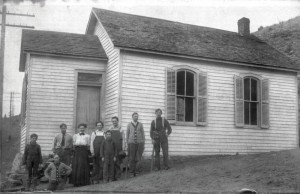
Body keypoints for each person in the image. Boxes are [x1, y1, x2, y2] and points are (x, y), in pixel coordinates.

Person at [126, 112, 145, 177]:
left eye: (137, 116)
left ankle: (137, 171)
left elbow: (143, 134)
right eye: (134, 116)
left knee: (138, 158)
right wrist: (127, 143)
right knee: (131, 158)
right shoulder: (129, 124)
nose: (136, 117)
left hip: (140, 143)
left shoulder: (140, 124)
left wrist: (143, 142)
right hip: (131, 143)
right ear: (132, 117)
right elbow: (127, 134)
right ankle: (131, 172)